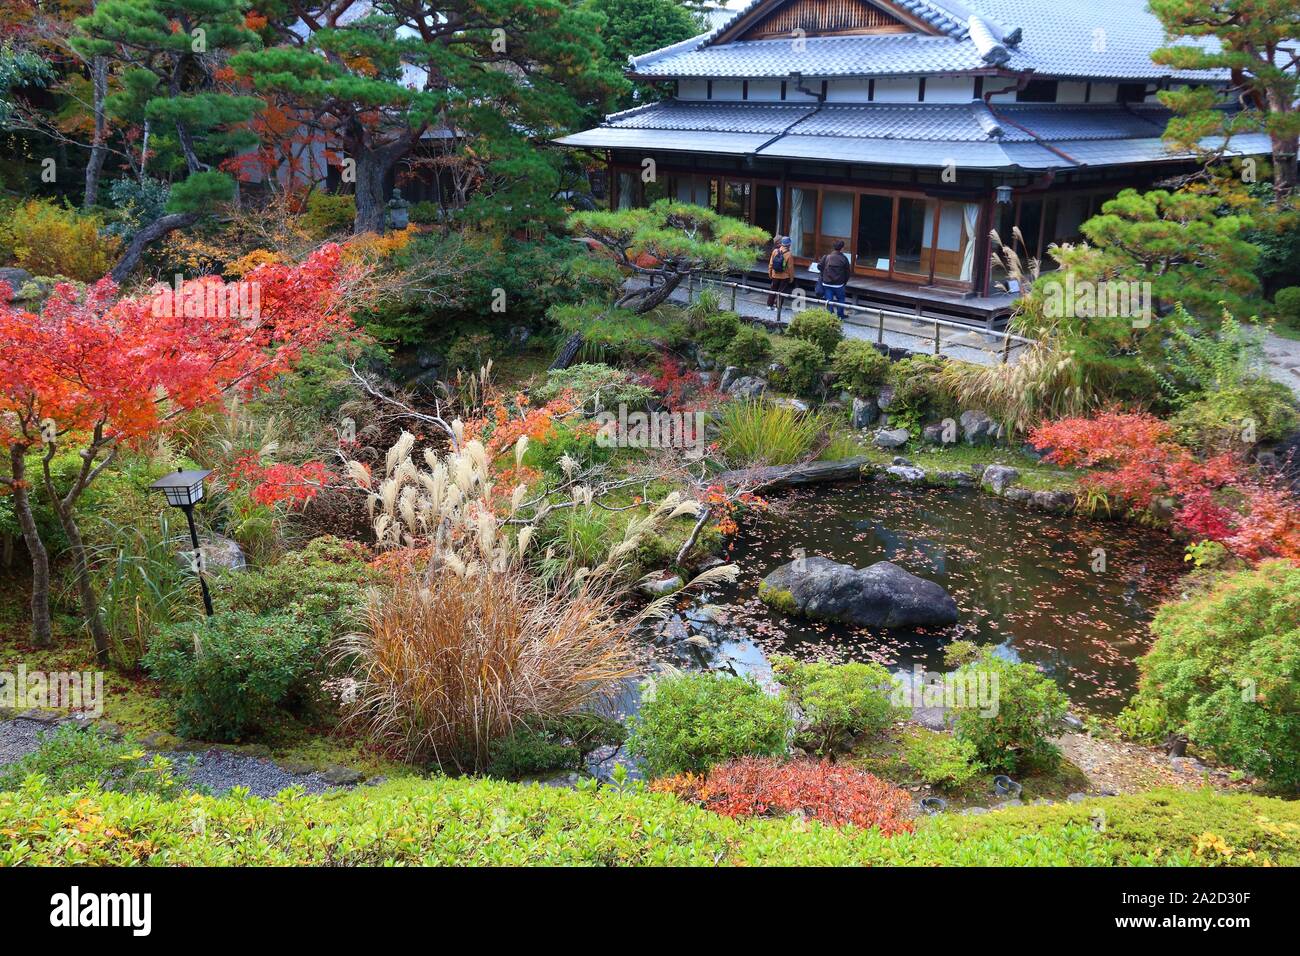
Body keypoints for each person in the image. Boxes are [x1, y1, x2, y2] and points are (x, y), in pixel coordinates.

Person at [818, 240, 851, 320]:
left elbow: (819, 267)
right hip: (839, 284)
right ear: (842, 248)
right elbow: (847, 272)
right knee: (841, 299)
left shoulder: (826, 257)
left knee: (829, 300)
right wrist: (844, 282)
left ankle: (830, 315)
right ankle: (840, 315)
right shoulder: (844, 259)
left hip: (826, 283)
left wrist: (824, 275)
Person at [767, 237, 794, 309]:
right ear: (789, 245)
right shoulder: (789, 254)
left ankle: (769, 305)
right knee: (781, 292)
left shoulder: (775, 251)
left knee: (773, 290)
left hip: (775, 274)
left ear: (781, 243)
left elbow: (771, 264)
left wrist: (770, 273)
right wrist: (791, 278)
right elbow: (790, 268)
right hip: (784, 277)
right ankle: (777, 307)